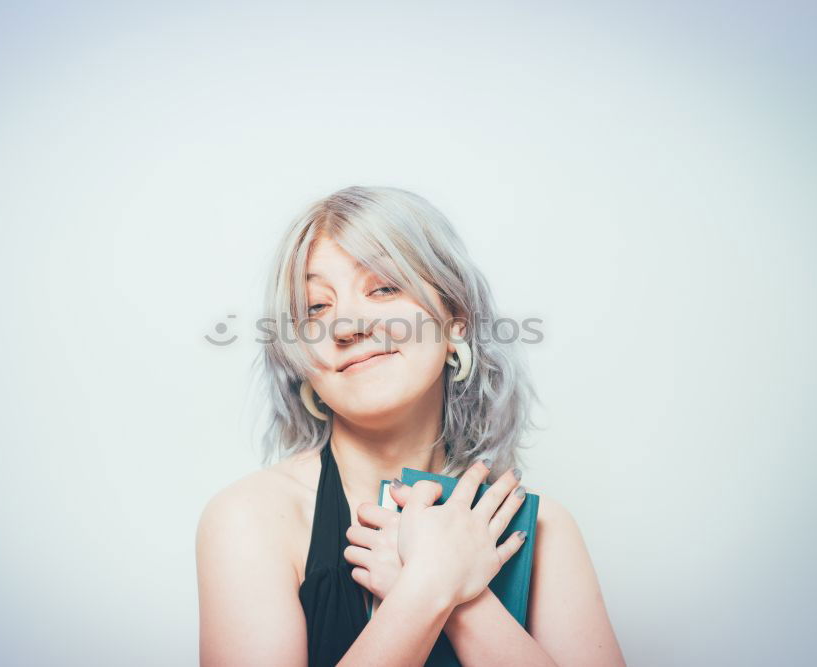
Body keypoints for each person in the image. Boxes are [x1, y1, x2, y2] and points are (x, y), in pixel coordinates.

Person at [195, 186, 626, 666]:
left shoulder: (543, 530)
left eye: (383, 288)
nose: (346, 326)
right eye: (316, 307)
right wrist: (429, 588)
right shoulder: (250, 518)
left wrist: (466, 603)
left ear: (455, 319)